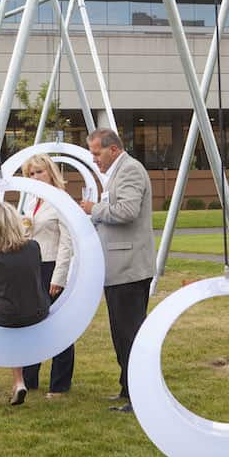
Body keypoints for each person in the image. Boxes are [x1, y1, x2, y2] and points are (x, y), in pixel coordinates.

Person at [79, 128, 154, 414]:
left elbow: (126, 211)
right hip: (118, 268)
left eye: (97, 153)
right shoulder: (119, 172)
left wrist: (93, 208)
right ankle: (127, 386)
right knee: (120, 333)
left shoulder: (131, 171)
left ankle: (139, 395)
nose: (94, 159)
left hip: (129, 268)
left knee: (130, 333)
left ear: (113, 149)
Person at [0, 202, 50, 406]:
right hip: (36, 311)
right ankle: (19, 382)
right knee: (12, 330)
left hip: (6, 315)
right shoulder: (33, 247)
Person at [19, 154, 74, 398]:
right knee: (31, 323)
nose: (35, 177)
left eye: (39, 172)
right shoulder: (31, 201)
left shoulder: (61, 200)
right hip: (31, 268)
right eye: (31, 174)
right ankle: (29, 379)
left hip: (52, 267)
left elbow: (67, 241)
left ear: (51, 172)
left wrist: (59, 277)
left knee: (58, 326)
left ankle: (60, 384)